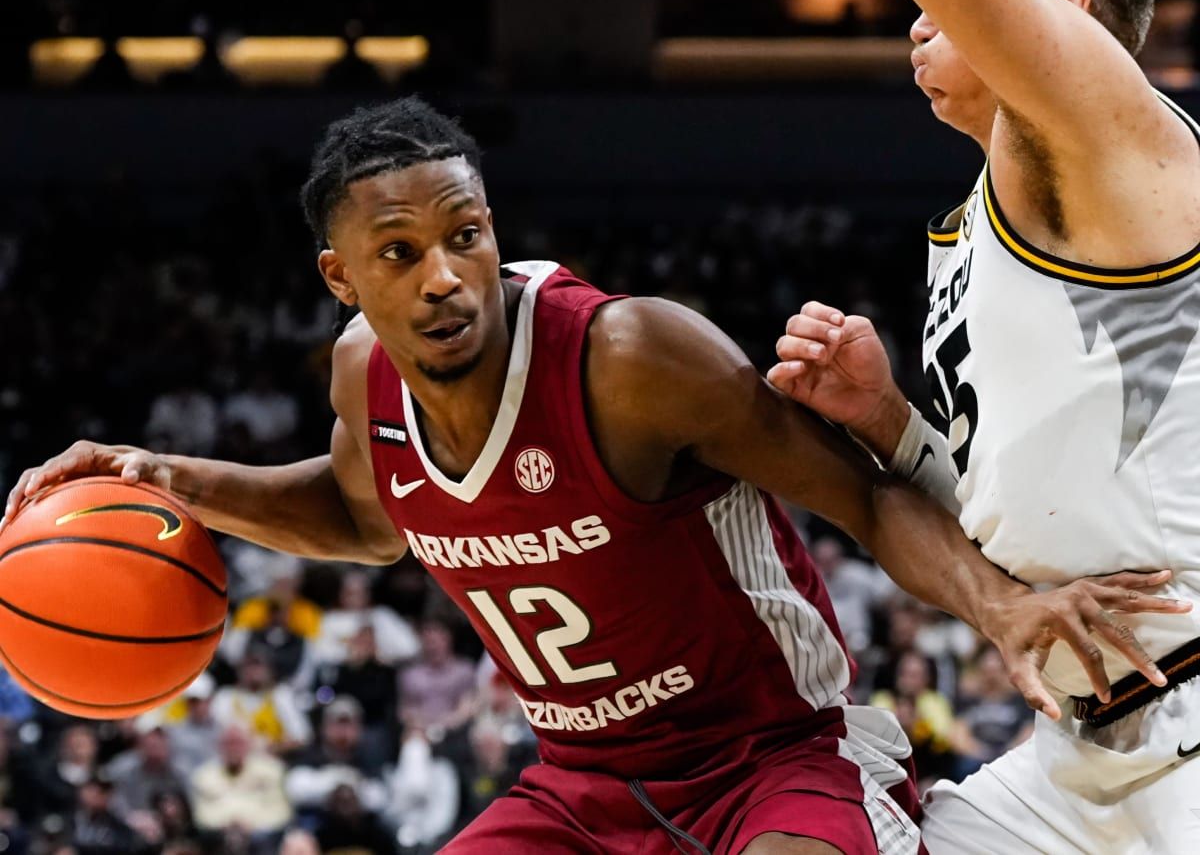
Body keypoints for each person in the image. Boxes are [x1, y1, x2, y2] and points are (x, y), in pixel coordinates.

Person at [3, 97, 1185, 854]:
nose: (445, 278)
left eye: (465, 236)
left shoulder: (631, 358)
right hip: (582, 786)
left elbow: (864, 493)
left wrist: (1004, 607)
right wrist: (170, 480)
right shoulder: (364, 373)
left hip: (775, 760)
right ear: (341, 277)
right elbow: (364, 521)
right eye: (399, 256)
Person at [768, 0, 1200, 850]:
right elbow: (1013, 519)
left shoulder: (1119, 143)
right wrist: (888, 420)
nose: (918, 26)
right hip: (1077, 753)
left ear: (1066, 7)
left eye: (934, 8)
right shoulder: (986, 222)